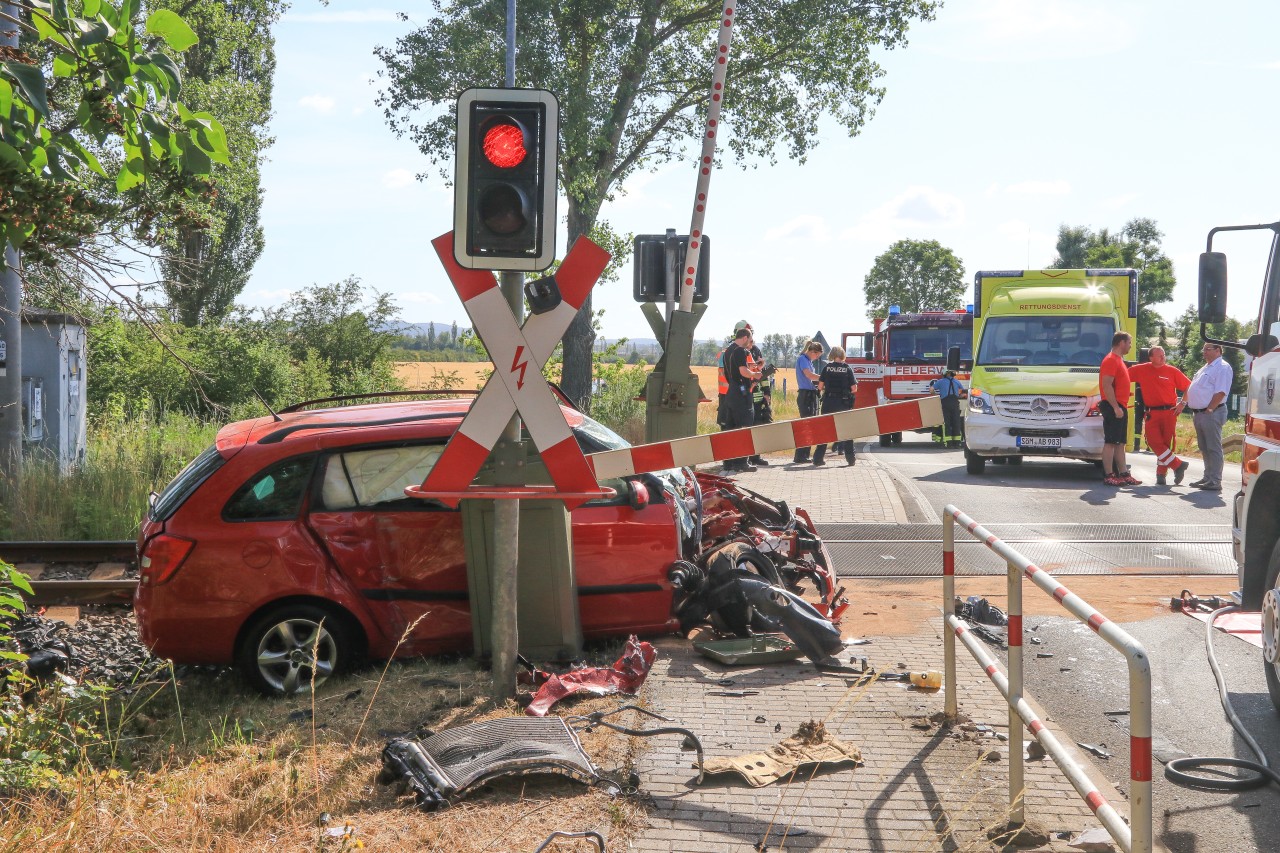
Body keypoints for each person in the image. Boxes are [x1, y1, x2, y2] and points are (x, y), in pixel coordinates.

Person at [1128, 346, 1192, 486]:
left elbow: (1189, 387)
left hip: (1170, 412)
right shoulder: (1141, 369)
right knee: (1153, 442)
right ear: (1151, 358)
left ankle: (1161, 475)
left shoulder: (1172, 371)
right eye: (1159, 356)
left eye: (1164, 355)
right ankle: (1177, 465)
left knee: (1165, 443)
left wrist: (1183, 403)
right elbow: (1123, 375)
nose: (1163, 358)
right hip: (1152, 412)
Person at [1184, 341, 1234, 492]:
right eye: (1203, 349)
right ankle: (1208, 477)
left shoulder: (1222, 367)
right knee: (1204, 447)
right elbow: (1193, 387)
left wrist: (1210, 409)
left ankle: (1215, 480)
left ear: (1218, 351)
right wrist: (1183, 402)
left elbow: (1221, 392)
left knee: (1213, 447)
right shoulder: (1205, 368)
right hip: (1200, 413)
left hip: (1211, 412)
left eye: (1208, 349)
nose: (1204, 352)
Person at [1099, 332, 1141, 487]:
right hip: (1113, 406)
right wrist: (1115, 407)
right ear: (1121, 342)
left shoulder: (1119, 360)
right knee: (1110, 441)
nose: (1130, 346)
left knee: (1120, 442)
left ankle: (1123, 473)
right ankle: (1109, 474)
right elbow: (1106, 385)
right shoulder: (1111, 360)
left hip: (1119, 405)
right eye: (1129, 342)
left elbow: (1116, 385)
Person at [722, 326, 762, 472]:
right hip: (740, 394)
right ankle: (741, 462)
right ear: (745, 338)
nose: (751, 343)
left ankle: (729, 463)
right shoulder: (739, 350)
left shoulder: (729, 351)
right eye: (750, 339)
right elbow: (743, 371)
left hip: (732, 392)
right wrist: (755, 375)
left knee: (731, 428)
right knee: (744, 427)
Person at [813, 345, 857, 466]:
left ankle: (818, 458)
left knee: (824, 430)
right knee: (847, 431)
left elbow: (820, 387)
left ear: (832, 355)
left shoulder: (827, 368)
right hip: (843, 403)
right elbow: (854, 389)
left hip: (828, 402)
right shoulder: (847, 369)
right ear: (842, 355)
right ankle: (850, 458)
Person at [793, 341, 824, 463]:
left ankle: (804, 454)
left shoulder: (808, 361)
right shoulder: (803, 359)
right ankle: (800, 455)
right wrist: (823, 377)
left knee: (810, 425)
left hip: (810, 394)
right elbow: (809, 375)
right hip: (805, 395)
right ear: (812, 352)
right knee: (806, 425)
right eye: (817, 356)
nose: (817, 358)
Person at [928, 370, 965, 448]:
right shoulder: (957, 381)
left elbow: (931, 389)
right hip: (955, 403)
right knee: (956, 422)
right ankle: (957, 443)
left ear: (944, 374)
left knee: (946, 423)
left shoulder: (940, 381)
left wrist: (935, 395)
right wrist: (959, 396)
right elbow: (963, 392)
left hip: (945, 403)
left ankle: (948, 443)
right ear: (952, 374)